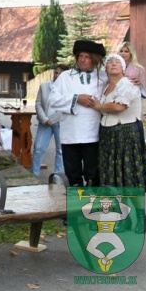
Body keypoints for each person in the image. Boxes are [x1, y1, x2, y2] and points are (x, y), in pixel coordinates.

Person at [48, 40, 106, 188]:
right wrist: (76, 98)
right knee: (73, 175)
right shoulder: (65, 77)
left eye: (87, 57)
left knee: (93, 175)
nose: (82, 59)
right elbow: (53, 100)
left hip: (93, 135)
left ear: (95, 59)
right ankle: (76, 202)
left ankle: (92, 201)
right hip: (70, 135)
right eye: (80, 56)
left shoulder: (103, 77)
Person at [94, 53, 146, 193]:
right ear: (105, 68)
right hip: (108, 134)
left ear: (123, 68)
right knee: (110, 171)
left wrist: (99, 106)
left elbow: (119, 107)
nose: (113, 64)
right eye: (110, 62)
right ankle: (112, 204)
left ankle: (130, 206)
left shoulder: (128, 84)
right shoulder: (105, 86)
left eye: (117, 62)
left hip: (126, 133)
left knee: (126, 172)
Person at [31, 63, 69, 176]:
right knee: (38, 147)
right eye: (56, 72)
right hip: (45, 121)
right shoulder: (44, 86)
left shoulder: (68, 89)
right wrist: (44, 119)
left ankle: (58, 176)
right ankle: (34, 174)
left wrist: (54, 119)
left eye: (60, 74)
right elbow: (38, 104)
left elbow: (67, 106)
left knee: (61, 150)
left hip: (60, 122)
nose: (57, 75)